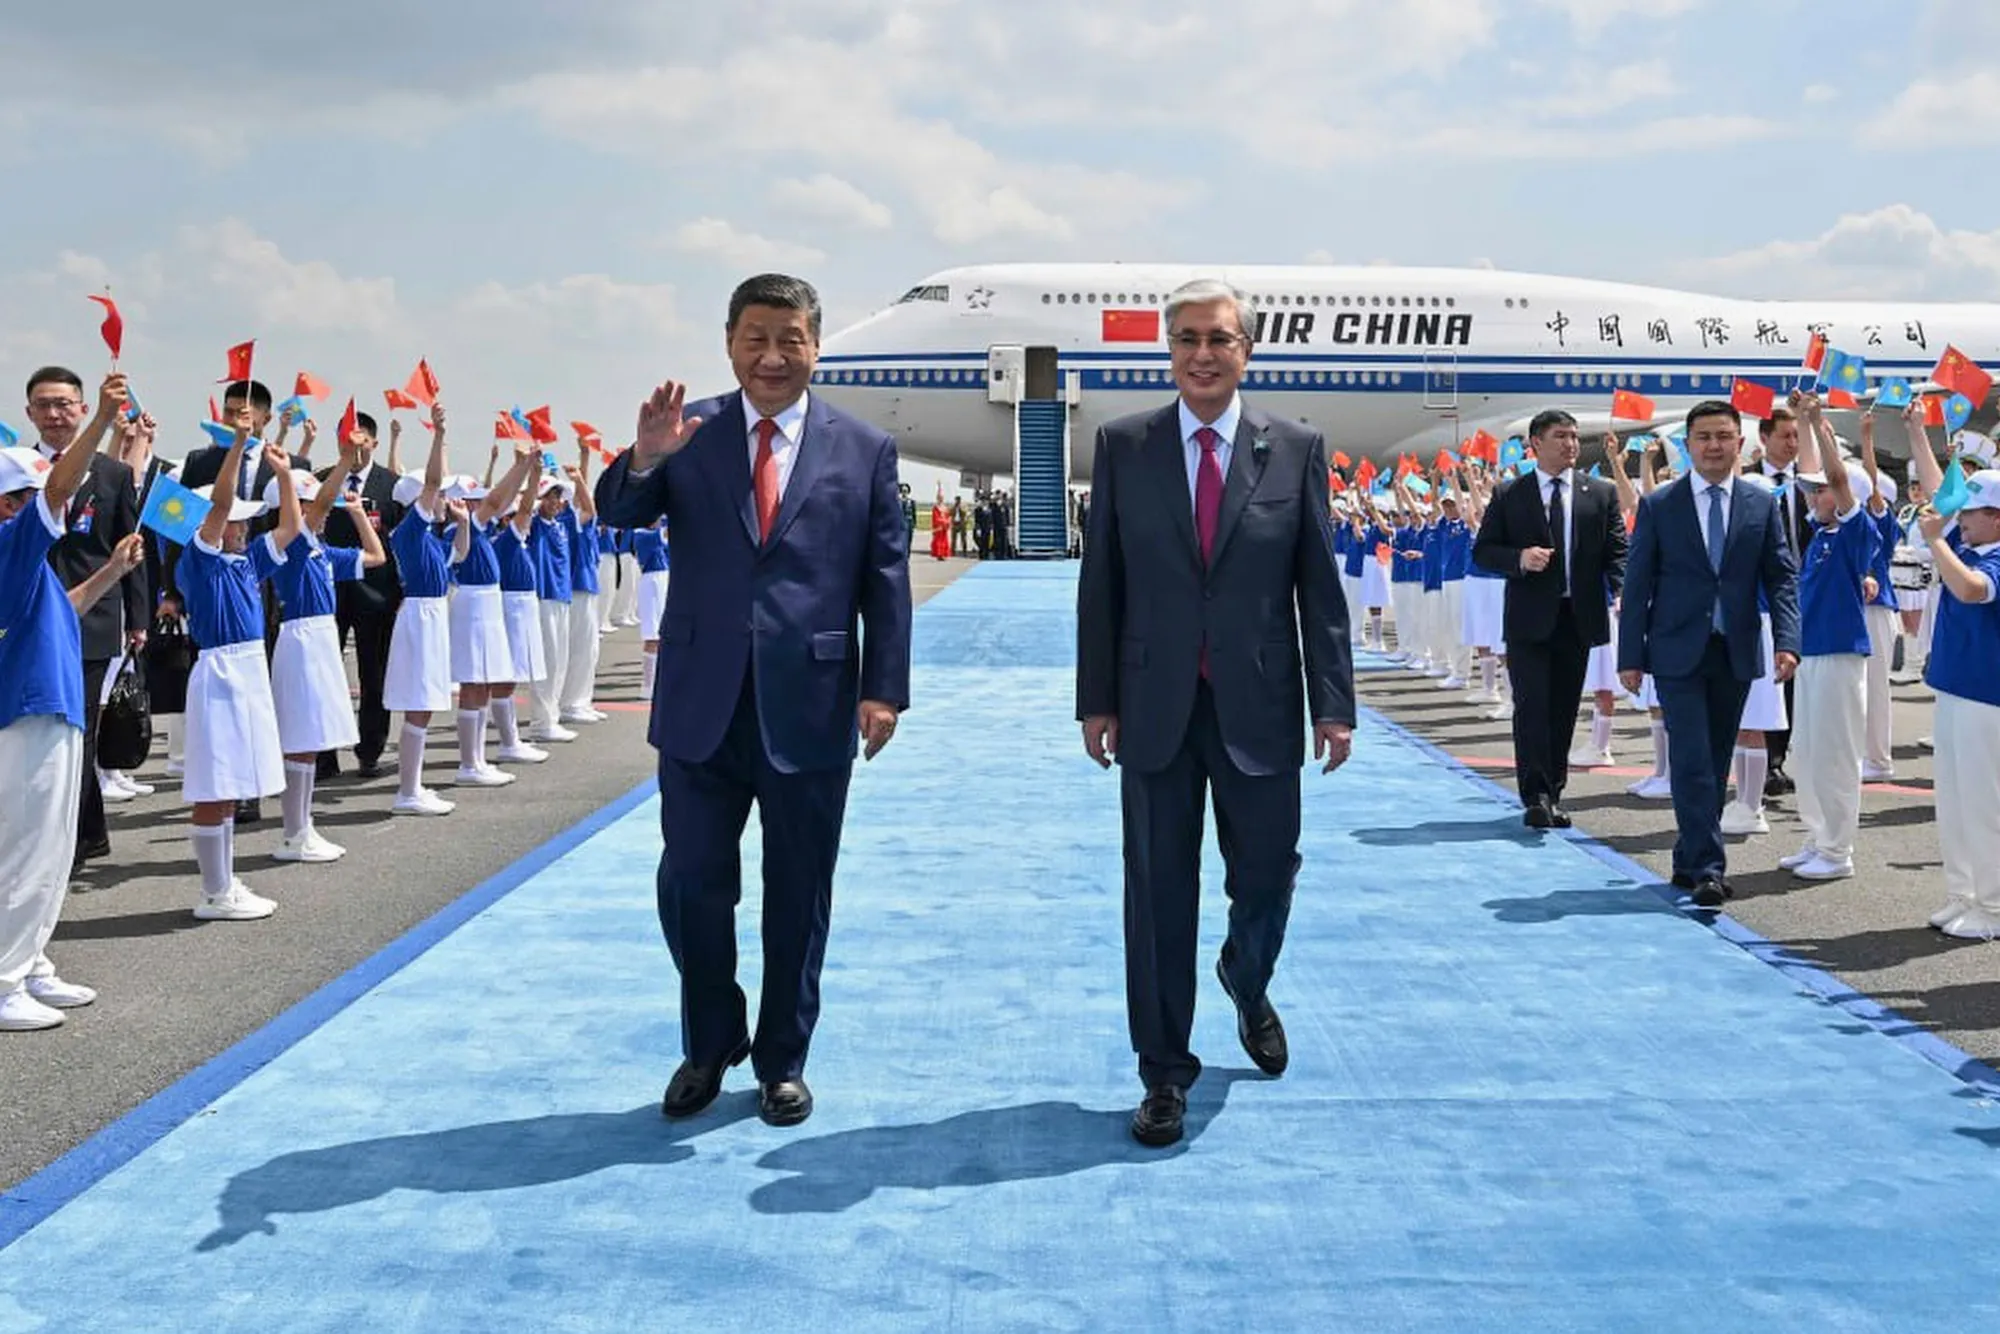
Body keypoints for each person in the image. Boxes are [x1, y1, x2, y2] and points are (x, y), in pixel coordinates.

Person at [593, 272, 912, 1129]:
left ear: (816, 343)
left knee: (798, 892)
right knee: (691, 884)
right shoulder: (688, 430)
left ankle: (781, 1059)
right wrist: (646, 457)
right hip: (702, 701)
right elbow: (617, 512)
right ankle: (710, 1040)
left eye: (791, 339)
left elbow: (884, 579)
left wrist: (884, 688)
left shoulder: (864, 449)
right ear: (729, 340)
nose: (773, 356)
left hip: (811, 701)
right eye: (755, 338)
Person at [1075, 277, 1355, 1149]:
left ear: (1246, 352)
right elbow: (1104, 585)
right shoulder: (1126, 445)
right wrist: (1096, 701)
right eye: (1188, 339)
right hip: (1154, 705)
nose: (1203, 354)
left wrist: (1333, 705)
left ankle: (1247, 972)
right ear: (1170, 351)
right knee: (1157, 894)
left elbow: (1319, 587)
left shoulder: (1297, 448)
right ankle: (1163, 1072)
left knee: (1268, 876)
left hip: (1262, 705)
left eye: (1221, 339)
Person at [1617, 401, 1800, 908]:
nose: (1714, 446)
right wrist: (1630, 655)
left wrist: (1788, 639)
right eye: (1703, 437)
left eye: (1723, 436)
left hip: (1734, 649)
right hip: (1676, 650)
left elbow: (1781, 577)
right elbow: (1638, 586)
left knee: (1717, 757)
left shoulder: (1760, 504)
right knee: (1694, 759)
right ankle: (1707, 868)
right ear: (1689, 445)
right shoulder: (1661, 505)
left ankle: (1686, 857)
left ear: (1741, 444)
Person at [0, 375, 130, 1028]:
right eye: (27, 497)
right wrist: (102, 418)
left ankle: (31, 961)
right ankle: (3, 980)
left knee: (48, 849)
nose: (52, 504)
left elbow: (64, 614)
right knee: (26, 850)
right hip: (30, 715)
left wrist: (111, 572)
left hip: (49, 709)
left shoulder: (33, 562)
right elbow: (58, 489)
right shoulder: (9, 543)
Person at [1472, 410, 1628, 829]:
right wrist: (1518, 559)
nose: (1571, 444)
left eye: (1575, 436)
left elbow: (1618, 552)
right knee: (1532, 706)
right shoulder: (1511, 494)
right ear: (1536, 444)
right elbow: (1483, 551)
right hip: (1529, 619)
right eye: (1561, 436)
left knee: (1562, 709)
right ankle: (1535, 794)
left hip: (1577, 617)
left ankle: (1554, 792)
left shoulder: (1599, 492)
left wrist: (1621, 588)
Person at [24, 367, 149, 868]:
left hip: (92, 620)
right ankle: (88, 831)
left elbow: (135, 544)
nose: (54, 414)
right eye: (44, 405)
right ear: (29, 412)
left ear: (81, 409)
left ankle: (69, 846)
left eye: (63, 404)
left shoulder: (113, 474)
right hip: (28, 617)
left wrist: (137, 617)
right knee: (44, 731)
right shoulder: (18, 469)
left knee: (81, 732)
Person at [179, 424, 303, 921]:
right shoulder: (201, 558)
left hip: (250, 671)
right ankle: (213, 891)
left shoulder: (246, 561)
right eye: (236, 521)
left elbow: (291, 529)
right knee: (216, 783)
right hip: (221, 674)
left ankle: (225, 880)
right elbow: (220, 505)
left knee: (233, 783)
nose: (243, 527)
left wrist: (286, 477)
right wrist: (236, 447)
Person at [267, 433, 387, 861]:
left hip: (319, 639)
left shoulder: (318, 547)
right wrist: (340, 463)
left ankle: (302, 826)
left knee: (312, 738)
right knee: (301, 737)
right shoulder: (292, 544)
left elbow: (375, 558)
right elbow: (311, 510)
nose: (321, 511)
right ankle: (294, 832)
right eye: (309, 504)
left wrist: (356, 514)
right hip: (301, 639)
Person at [1779, 394, 1875, 883]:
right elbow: (1817, 473)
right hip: (1812, 655)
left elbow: (1837, 477)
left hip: (1840, 655)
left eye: (1820, 492)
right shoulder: (1820, 535)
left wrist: (1819, 425)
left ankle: (1838, 851)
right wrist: (1800, 419)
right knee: (1808, 753)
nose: (1814, 496)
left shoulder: (1857, 532)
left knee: (1835, 754)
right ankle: (1818, 837)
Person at [1912, 466, 2000, 936]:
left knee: (1984, 803)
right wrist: (1917, 433)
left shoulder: (1993, 557)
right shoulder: (1968, 546)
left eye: (1971, 512)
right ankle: (1962, 893)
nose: (1959, 518)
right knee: (1955, 800)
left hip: (1987, 698)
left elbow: (1971, 589)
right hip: (1954, 690)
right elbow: (1939, 493)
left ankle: (1993, 906)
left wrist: (1936, 542)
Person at [381, 403, 461, 818]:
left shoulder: (430, 536)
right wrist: (439, 435)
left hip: (433, 615)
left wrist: (463, 522)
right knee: (418, 701)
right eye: (440, 495)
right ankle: (407, 790)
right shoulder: (411, 530)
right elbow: (431, 480)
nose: (445, 498)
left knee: (426, 702)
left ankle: (412, 785)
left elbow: (460, 553)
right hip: (420, 617)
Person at [318, 412, 404, 780]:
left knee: (375, 673)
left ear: (373, 442)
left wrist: (402, 592)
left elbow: (401, 542)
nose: (352, 448)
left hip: (377, 592)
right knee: (324, 674)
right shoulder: (323, 481)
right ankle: (322, 755)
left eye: (360, 441)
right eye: (345, 442)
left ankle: (370, 750)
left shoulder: (391, 485)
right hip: (330, 591)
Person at [447, 447, 539, 787]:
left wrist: (525, 471)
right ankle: (469, 764)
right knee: (474, 684)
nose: (480, 504)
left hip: (486, 606)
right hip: (472, 606)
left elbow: (503, 500)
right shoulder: (460, 528)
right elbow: (499, 500)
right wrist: (522, 466)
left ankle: (478, 760)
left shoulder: (479, 530)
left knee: (483, 684)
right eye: (472, 500)